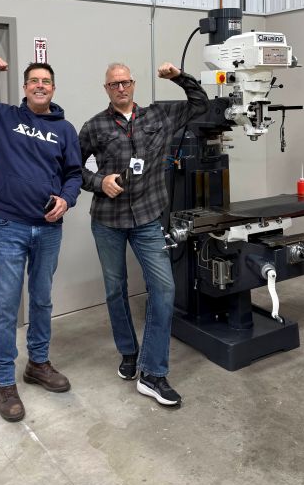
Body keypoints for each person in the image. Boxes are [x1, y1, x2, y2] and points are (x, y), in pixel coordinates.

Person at [0, 57, 82, 422]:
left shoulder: (65, 130)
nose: (40, 85)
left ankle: (38, 364)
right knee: (7, 307)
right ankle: (5, 382)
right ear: (25, 88)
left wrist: (66, 199)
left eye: (46, 81)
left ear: (53, 88)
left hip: (48, 228)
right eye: (34, 80)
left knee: (41, 301)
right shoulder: (3, 118)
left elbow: (74, 174)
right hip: (9, 227)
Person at [79, 61, 209, 406]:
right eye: (113, 85)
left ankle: (152, 373)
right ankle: (128, 354)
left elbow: (200, 104)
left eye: (125, 82)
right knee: (115, 290)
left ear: (133, 84)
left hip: (148, 220)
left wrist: (180, 77)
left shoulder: (158, 118)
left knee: (164, 288)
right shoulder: (94, 127)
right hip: (107, 221)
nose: (120, 89)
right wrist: (98, 181)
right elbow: (70, 169)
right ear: (106, 89)